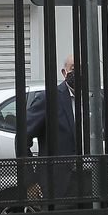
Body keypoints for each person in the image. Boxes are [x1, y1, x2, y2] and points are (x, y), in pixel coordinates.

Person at [17, 54, 83, 203]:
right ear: (64, 72)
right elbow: (22, 138)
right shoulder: (48, 99)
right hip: (57, 185)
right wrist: (30, 181)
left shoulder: (97, 99)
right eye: (73, 68)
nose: (78, 73)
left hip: (89, 182)